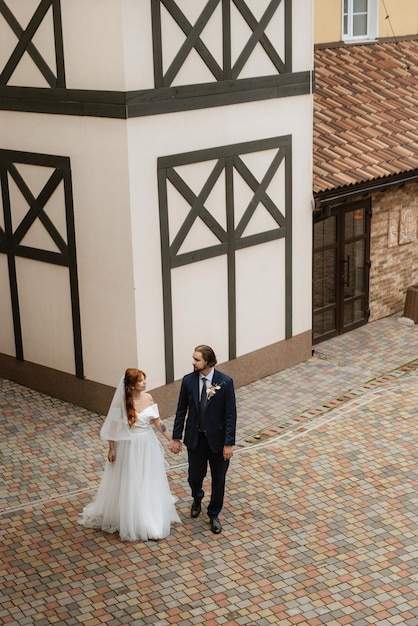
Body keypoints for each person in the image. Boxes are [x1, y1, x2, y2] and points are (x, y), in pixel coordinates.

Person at [79, 368, 180, 541]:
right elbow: (113, 427)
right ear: (132, 386)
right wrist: (111, 448)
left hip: (147, 445)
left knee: (147, 478)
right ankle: (131, 517)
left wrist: (172, 439)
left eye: (144, 380)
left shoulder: (148, 398)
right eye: (141, 381)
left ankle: (150, 517)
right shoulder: (121, 402)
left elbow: (158, 422)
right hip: (128, 446)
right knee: (130, 480)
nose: (145, 383)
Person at [169, 345, 237, 534]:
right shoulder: (188, 381)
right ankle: (197, 497)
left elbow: (230, 414)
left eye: (197, 359)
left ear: (207, 361)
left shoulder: (225, 382)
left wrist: (228, 443)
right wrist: (176, 437)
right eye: (193, 358)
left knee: (218, 480)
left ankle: (214, 513)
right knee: (194, 477)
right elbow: (181, 410)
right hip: (195, 439)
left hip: (218, 441)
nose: (193, 362)